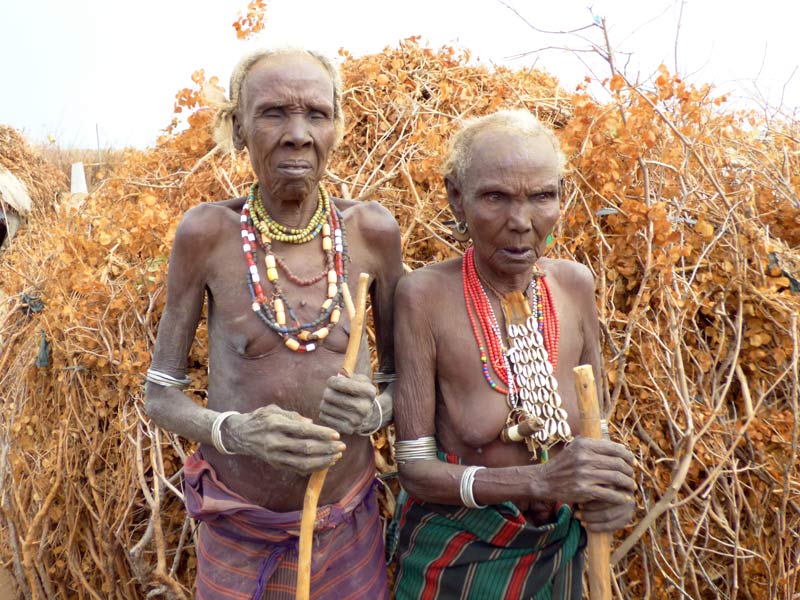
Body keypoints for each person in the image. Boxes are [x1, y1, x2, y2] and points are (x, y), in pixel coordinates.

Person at [145, 48, 403, 600]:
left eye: (316, 114)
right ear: (239, 128)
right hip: (241, 529)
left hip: (347, 524)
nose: (297, 135)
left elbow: (404, 380)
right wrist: (235, 432)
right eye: (273, 113)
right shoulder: (207, 235)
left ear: (336, 127)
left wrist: (375, 412)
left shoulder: (373, 233)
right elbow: (160, 394)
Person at [392, 109, 636, 599]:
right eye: (495, 197)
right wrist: (539, 480)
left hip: (557, 551)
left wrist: (611, 493)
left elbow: (595, 433)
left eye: (541, 196)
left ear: (561, 195)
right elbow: (415, 470)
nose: (521, 222)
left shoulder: (575, 286)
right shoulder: (424, 296)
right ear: (456, 197)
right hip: (456, 559)